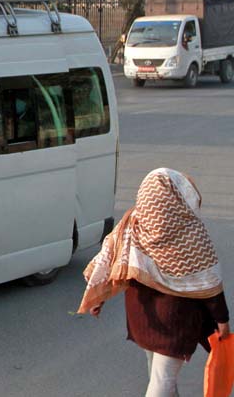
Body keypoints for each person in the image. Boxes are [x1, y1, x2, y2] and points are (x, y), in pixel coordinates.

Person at [78, 168, 230, 397]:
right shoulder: (190, 234)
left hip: (142, 317)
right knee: (162, 379)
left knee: (157, 371)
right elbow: (208, 282)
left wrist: (99, 297)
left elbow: (109, 260)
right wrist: (222, 320)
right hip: (175, 321)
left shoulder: (133, 222)